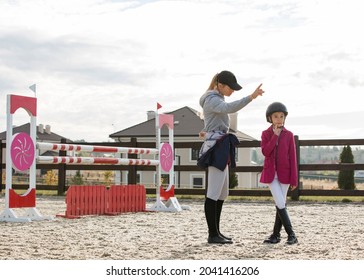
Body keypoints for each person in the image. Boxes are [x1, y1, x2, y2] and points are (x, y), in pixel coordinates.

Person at [198, 70, 264, 244]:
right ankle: (212, 234)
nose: (233, 91)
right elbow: (229, 109)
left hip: (221, 144)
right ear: (220, 85)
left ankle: (216, 232)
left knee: (222, 192)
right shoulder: (212, 99)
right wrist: (251, 97)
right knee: (213, 192)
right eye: (231, 88)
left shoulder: (216, 99)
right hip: (216, 147)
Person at [260, 102, 298, 245]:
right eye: (276, 116)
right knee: (280, 202)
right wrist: (274, 136)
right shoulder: (266, 134)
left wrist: (294, 179)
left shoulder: (289, 135)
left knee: (279, 203)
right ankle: (292, 234)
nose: (279, 119)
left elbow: (293, 158)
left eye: (281, 116)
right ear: (270, 118)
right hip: (271, 175)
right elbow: (265, 151)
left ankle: (275, 235)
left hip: (285, 175)